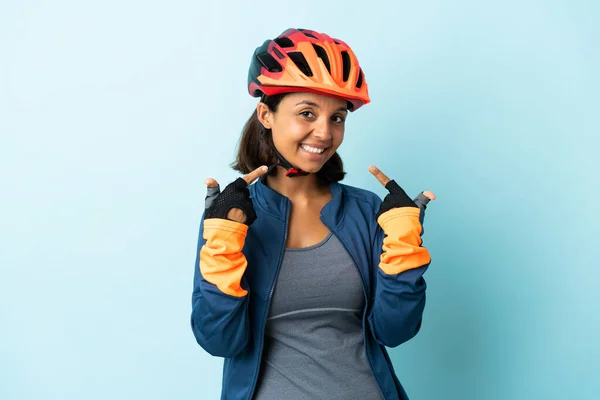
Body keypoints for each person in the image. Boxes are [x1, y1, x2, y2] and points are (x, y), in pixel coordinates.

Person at [190, 28, 436, 400]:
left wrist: (404, 246)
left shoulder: (367, 210)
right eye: (307, 113)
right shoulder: (233, 217)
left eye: (337, 118)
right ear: (266, 114)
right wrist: (223, 239)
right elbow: (220, 340)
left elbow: (395, 331)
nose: (324, 132)